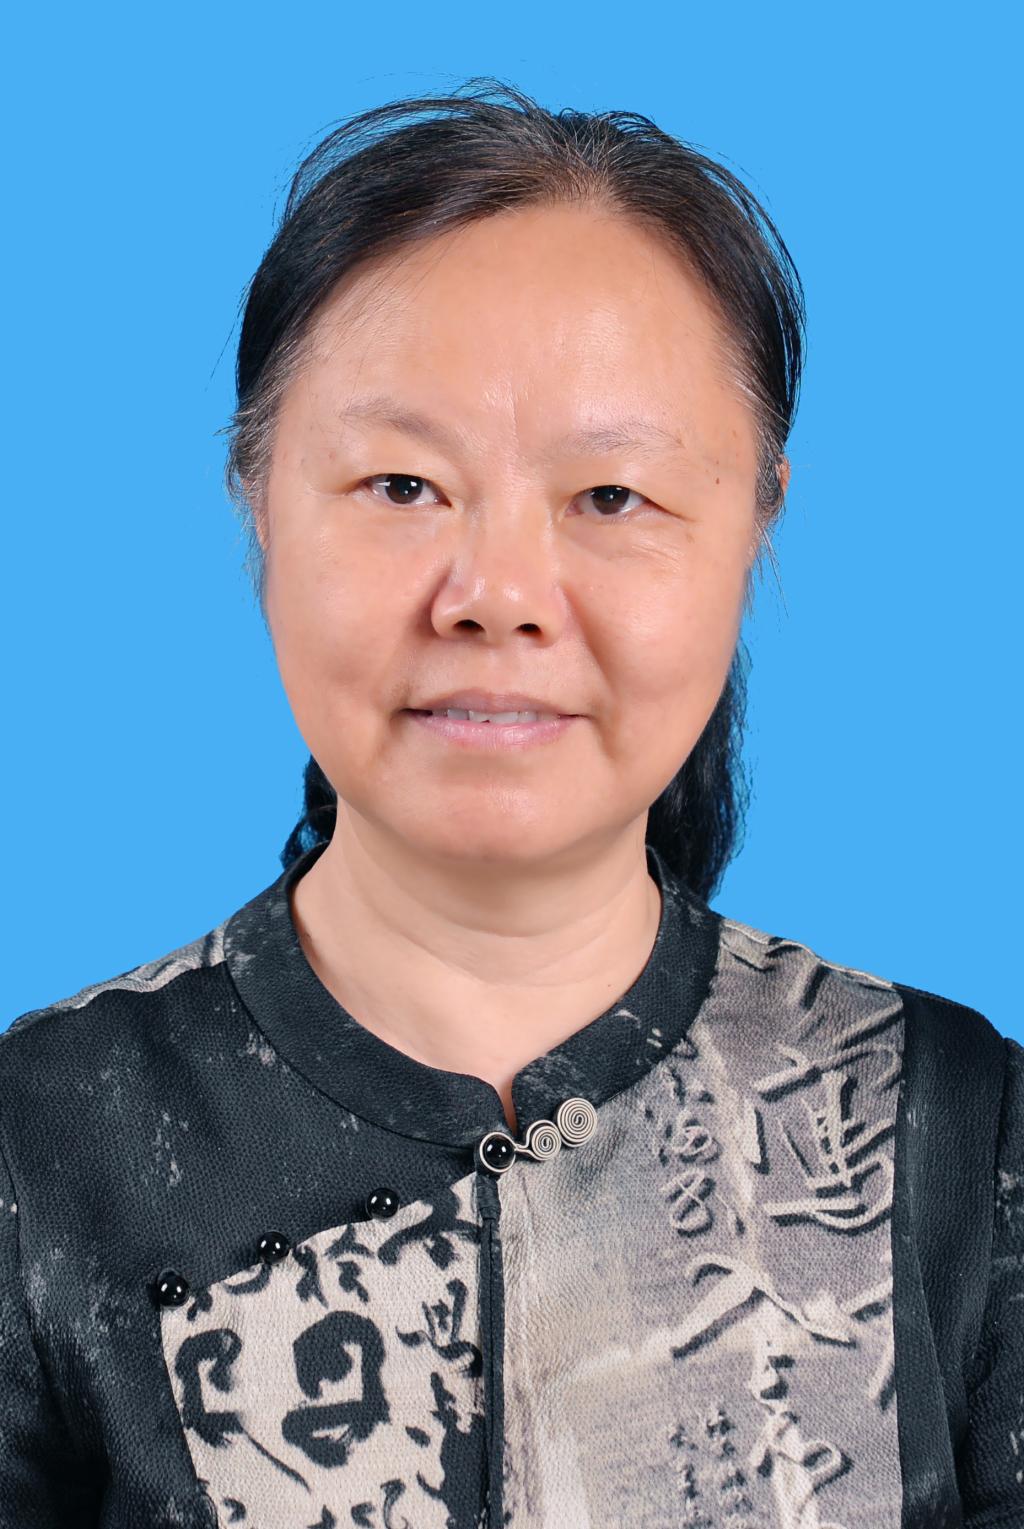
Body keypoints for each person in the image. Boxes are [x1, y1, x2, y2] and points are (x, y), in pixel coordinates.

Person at [1, 78, 1019, 1529]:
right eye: (401, 484)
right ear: (256, 497)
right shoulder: (41, 1146)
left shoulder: (954, 1129)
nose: (496, 596)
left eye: (611, 497)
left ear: (757, 520)